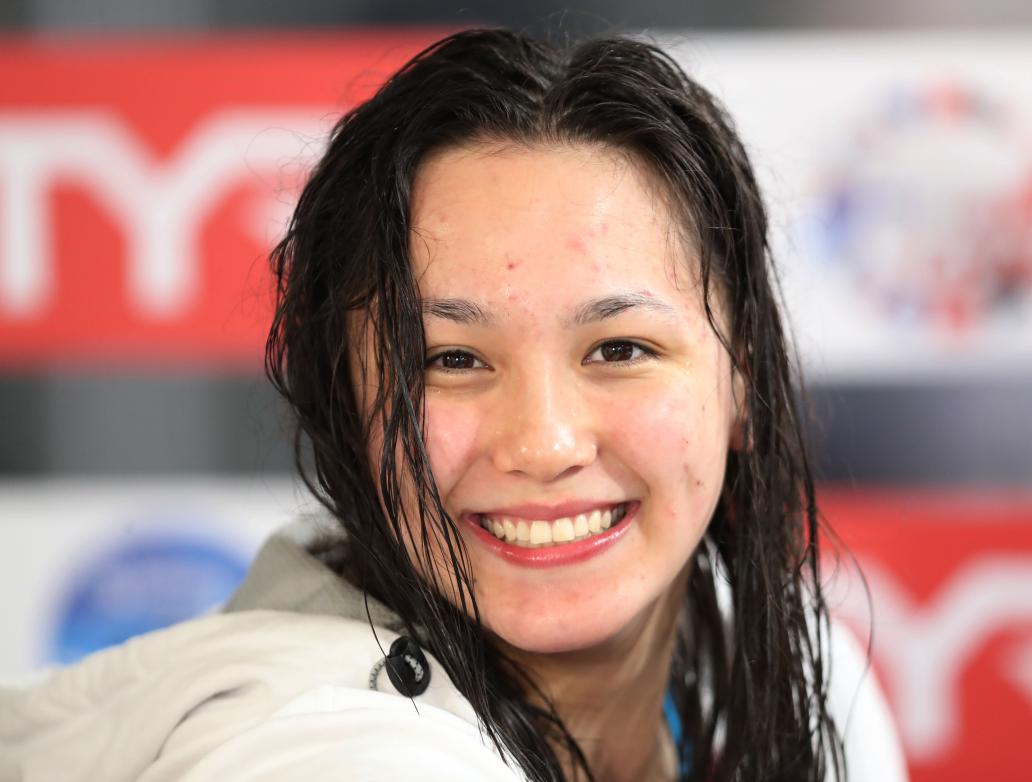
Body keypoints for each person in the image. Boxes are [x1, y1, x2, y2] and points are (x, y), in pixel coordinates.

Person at [0, 28, 907, 782]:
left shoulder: (797, 671)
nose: (544, 442)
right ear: (343, 408)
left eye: (620, 349)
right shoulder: (330, 754)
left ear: (742, 377)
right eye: (453, 359)